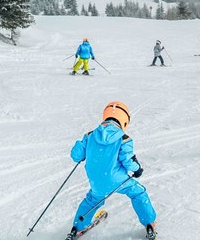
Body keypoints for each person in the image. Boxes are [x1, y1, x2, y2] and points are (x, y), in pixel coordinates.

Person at [65, 102, 157, 240]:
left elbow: (76, 156)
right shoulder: (123, 138)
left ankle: (77, 229)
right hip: (118, 180)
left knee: (92, 200)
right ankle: (149, 224)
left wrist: (84, 144)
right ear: (124, 120)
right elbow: (127, 161)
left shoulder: (90, 135)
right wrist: (137, 169)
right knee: (138, 193)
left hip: (96, 181)